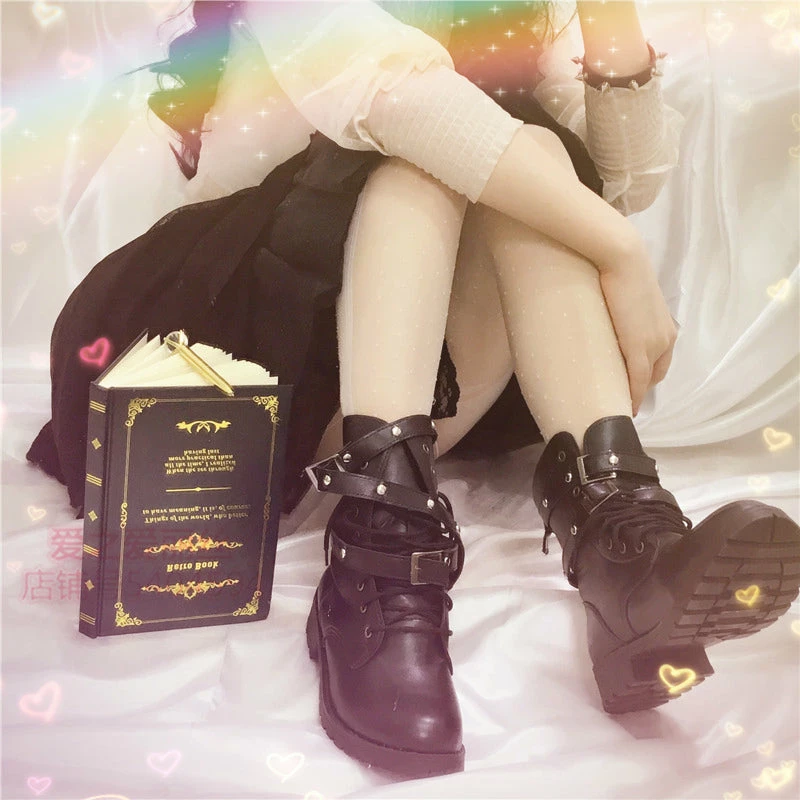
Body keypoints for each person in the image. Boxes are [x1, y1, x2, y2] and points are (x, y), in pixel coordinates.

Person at [26, 0, 800, 780]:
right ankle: (379, 550)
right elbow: (392, 96)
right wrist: (623, 254)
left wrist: (607, 15)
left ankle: (620, 543)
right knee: (432, 154)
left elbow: (628, 175)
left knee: (536, 153)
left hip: (407, 365)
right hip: (240, 363)